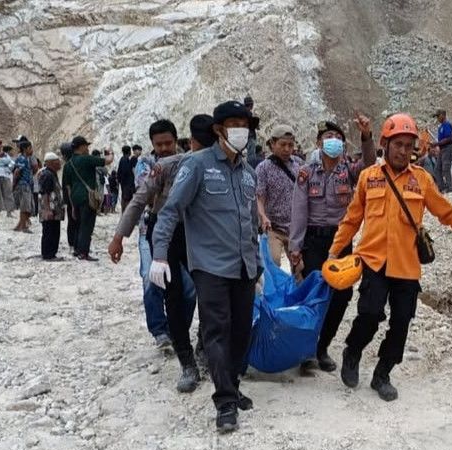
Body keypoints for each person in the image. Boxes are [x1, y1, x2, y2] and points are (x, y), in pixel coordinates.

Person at [330, 113, 452, 401]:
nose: (403, 150)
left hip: (406, 266)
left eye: (408, 145)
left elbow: (447, 211)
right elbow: (351, 220)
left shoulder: (422, 180)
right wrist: (333, 251)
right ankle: (352, 351)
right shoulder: (369, 178)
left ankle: (382, 374)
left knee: (401, 321)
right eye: (398, 144)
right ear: (385, 145)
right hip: (374, 262)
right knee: (369, 313)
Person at [151, 100, 259, 432]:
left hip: (243, 267)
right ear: (218, 129)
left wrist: (259, 268)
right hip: (209, 267)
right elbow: (171, 211)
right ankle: (225, 402)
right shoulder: (197, 165)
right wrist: (158, 255)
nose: (242, 130)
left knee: (242, 331)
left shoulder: (248, 172)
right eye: (235, 124)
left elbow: (250, 222)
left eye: (246, 124)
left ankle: (234, 383)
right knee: (216, 332)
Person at [110, 118, 209, 354]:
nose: (164, 148)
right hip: (158, 232)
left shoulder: (192, 163)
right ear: (152, 144)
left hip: (193, 232)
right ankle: (163, 332)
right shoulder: (153, 167)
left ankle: (182, 333)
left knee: (193, 288)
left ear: (177, 141)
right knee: (156, 281)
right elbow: (139, 200)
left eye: (168, 143)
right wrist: (119, 236)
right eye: (159, 144)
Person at [288, 115, 376, 372]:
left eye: (338, 138)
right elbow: (299, 211)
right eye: (328, 138)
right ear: (318, 142)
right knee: (315, 294)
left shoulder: (348, 170)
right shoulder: (306, 173)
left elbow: (370, 165)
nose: (333, 142)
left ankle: (322, 347)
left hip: (340, 242)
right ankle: (306, 351)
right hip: (313, 242)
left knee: (342, 294)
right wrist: (295, 249)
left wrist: (367, 136)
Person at [254, 123, 302, 267]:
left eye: (290, 145)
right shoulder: (263, 168)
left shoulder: (299, 164)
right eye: (282, 145)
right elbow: (259, 198)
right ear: (272, 144)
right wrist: (262, 216)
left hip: (295, 229)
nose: (287, 149)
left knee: (300, 269)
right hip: (273, 228)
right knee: (273, 263)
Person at [62, 136, 112, 261]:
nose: (87, 148)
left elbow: (68, 186)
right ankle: (84, 252)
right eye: (86, 146)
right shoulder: (87, 159)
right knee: (87, 225)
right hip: (87, 197)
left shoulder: (68, 164)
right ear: (82, 146)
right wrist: (110, 152)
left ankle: (77, 249)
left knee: (78, 224)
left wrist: (72, 205)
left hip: (75, 198)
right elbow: (108, 161)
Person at [38, 152, 65, 260]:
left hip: (54, 210)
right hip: (50, 210)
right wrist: (47, 210)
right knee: (49, 232)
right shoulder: (47, 175)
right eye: (57, 162)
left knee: (53, 231)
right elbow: (45, 193)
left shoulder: (50, 173)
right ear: (51, 163)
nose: (60, 164)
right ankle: (48, 254)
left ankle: (50, 253)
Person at [12, 141, 35, 233]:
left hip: (26, 184)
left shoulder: (26, 158)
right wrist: (14, 185)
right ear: (25, 149)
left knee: (27, 206)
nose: (31, 150)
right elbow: (17, 172)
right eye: (30, 148)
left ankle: (20, 225)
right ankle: (23, 226)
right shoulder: (22, 159)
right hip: (23, 184)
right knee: (25, 206)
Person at [0, 144, 15, 216]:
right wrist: (2, 162)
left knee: (8, 193)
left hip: (6, 175)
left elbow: (9, 162)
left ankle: (9, 212)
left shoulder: (5, 155)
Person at [434, 109, 452, 191]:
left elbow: (449, 138)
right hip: (442, 149)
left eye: (438, 116)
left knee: (446, 168)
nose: (437, 118)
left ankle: (450, 187)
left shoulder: (447, 124)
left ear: (443, 115)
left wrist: (437, 144)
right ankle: (441, 187)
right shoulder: (440, 127)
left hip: (447, 148)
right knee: (437, 169)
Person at [117, 145, 137, 211]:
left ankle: (124, 213)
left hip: (124, 183)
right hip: (127, 184)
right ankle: (125, 213)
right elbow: (126, 171)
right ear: (129, 152)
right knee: (126, 199)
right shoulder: (125, 160)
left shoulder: (123, 159)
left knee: (125, 198)